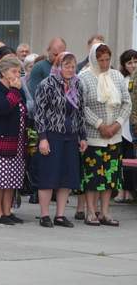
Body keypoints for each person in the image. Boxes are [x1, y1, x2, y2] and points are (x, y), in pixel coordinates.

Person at [79, 43, 131, 226]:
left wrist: (117, 124)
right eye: (100, 60)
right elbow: (81, 106)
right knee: (93, 176)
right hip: (94, 135)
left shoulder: (116, 76)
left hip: (114, 136)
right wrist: (101, 125)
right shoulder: (84, 77)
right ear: (94, 59)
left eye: (107, 59)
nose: (104, 63)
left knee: (110, 176)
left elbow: (127, 103)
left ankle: (105, 211)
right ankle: (90, 212)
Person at [34, 52, 88, 228]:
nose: (70, 70)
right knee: (49, 175)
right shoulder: (47, 84)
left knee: (67, 177)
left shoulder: (77, 84)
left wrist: (82, 136)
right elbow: (39, 113)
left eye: (73, 66)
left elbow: (80, 112)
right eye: (66, 66)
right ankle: (44, 215)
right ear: (58, 66)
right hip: (51, 135)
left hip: (70, 135)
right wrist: (42, 138)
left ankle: (60, 215)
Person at [0, 55, 27, 225]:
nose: (17, 74)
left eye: (19, 71)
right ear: (3, 72)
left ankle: (7, 211)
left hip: (17, 142)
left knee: (11, 179)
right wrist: (15, 91)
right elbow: (3, 108)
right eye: (13, 71)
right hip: (0, 140)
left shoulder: (18, 88)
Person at [116, 49, 137, 203]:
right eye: (129, 62)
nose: (133, 65)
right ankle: (121, 190)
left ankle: (130, 190)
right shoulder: (122, 79)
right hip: (122, 124)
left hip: (133, 123)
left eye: (135, 61)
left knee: (131, 158)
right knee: (121, 158)